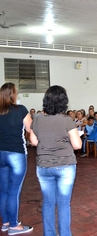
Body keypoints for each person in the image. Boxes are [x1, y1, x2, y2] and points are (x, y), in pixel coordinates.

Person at [30, 85, 82, 236]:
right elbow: (77, 145)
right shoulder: (66, 120)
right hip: (65, 166)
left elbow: (33, 141)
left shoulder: (37, 118)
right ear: (64, 102)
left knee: (47, 203)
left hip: (44, 166)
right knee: (64, 204)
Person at [0, 82, 33, 235]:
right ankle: (14, 225)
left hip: (0, 154)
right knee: (14, 191)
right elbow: (29, 128)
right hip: (16, 153)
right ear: (13, 94)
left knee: (3, 191)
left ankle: (5, 223)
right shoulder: (21, 109)